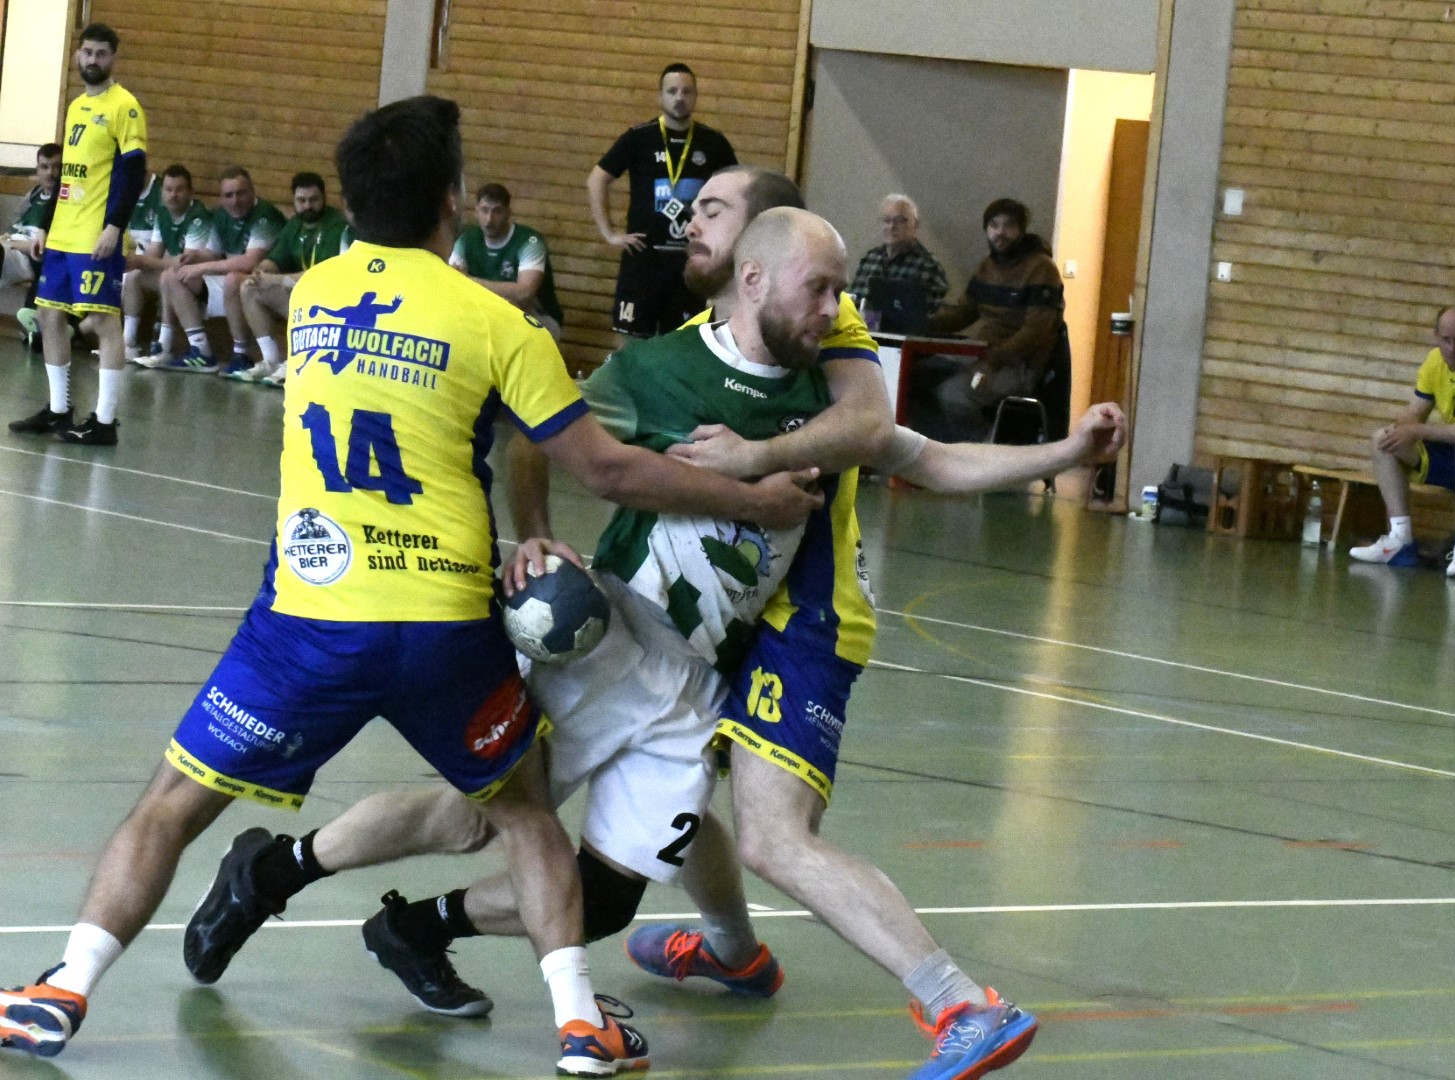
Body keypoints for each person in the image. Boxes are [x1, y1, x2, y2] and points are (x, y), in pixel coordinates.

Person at [0, 95, 821, 1073]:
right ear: (453, 201)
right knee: (524, 815)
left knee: (169, 805)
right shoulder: (497, 324)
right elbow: (606, 468)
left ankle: (64, 987)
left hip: (308, 618)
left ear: (350, 204)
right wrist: (758, 501)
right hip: (443, 625)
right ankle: (578, 1025)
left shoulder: (312, 296)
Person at [176, 202, 840, 1017]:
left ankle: (418, 929)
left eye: (838, 291)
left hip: (700, 685)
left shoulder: (832, 383)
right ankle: (270, 872)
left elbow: (894, 437)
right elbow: (537, 437)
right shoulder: (659, 366)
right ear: (755, 271)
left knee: (606, 900)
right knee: (473, 818)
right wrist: (535, 530)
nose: (833, 308)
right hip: (614, 641)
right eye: (819, 288)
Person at [7, 25, 146, 447]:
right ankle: (58, 409)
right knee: (49, 316)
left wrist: (114, 227)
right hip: (63, 235)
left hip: (95, 235)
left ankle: (104, 421)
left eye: (101, 53)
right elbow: (67, 174)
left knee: (102, 320)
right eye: (87, 52)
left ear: (113, 58)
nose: (92, 60)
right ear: (77, 56)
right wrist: (45, 226)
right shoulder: (76, 106)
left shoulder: (125, 106)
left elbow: (133, 172)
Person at [588, 62, 737, 337]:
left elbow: (735, 194)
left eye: (686, 91)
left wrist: (723, 243)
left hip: (689, 263)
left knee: (686, 343)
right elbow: (597, 179)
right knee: (630, 344)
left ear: (695, 96)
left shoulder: (713, 143)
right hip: (643, 260)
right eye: (672, 91)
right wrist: (609, 233)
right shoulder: (639, 138)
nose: (679, 98)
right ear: (660, 96)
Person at [917, 198, 1065, 441]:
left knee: (954, 396)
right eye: (994, 225)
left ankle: (981, 452)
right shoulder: (986, 267)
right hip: (981, 356)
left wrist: (993, 361)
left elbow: (1035, 332)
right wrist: (921, 322)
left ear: (1021, 230)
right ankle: (943, 448)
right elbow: (964, 312)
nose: (1000, 232)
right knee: (914, 377)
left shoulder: (1041, 269)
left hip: (1019, 366)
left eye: (1009, 225)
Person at [1349, 304, 1455, 576]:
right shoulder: (1434, 362)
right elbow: (1415, 411)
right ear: (1436, 337)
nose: (1452, 348)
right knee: (1383, 440)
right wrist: (1401, 428)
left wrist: (1416, 430)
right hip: (1453, 459)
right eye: (1446, 340)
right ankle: (1400, 540)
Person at [156, 165, 284, 373]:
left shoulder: (265, 216)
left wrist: (201, 267)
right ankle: (201, 351)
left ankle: (241, 354)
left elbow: (249, 262)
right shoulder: (221, 215)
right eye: (228, 195)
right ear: (222, 197)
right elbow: (212, 253)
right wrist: (195, 257)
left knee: (233, 278)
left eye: (241, 193)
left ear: (252, 191)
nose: (235, 201)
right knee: (172, 275)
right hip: (231, 285)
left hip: (262, 285)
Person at [226, 171, 350, 384]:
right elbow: (276, 259)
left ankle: (296, 362)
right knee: (249, 287)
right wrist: (261, 271)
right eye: (302, 200)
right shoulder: (294, 226)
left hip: (328, 298)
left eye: (313, 200)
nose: (308, 206)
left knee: (301, 295)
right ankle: (271, 360)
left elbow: (320, 275)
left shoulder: (336, 226)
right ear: (294, 201)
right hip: (301, 291)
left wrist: (276, 280)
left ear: (324, 198)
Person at [122, 164, 213, 363]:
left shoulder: (198, 217)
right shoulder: (163, 214)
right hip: (177, 276)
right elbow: (154, 254)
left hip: (206, 281)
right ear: (162, 192)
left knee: (168, 277)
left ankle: (164, 347)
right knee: (134, 276)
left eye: (179, 190)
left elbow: (185, 262)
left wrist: (141, 260)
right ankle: (128, 344)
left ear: (190, 192)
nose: (173, 195)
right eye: (169, 189)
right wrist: (136, 262)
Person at [450, 181, 564, 340]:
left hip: (538, 318)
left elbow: (524, 293)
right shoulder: (466, 239)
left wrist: (469, 281)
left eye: (497, 211)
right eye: (484, 210)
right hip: (488, 317)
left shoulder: (529, 242)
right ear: (476, 211)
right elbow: (452, 283)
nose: (489, 219)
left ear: (508, 213)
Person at [848, 193, 949, 330]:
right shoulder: (870, 260)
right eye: (886, 220)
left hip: (900, 340)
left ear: (916, 225)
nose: (891, 226)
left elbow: (923, 320)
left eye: (900, 220)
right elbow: (854, 305)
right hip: (860, 335)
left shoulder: (928, 267)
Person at [2, 143, 61, 349]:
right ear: (37, 169)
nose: (50, 173)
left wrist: (11, 243)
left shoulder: (64, 202)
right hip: (12, 251)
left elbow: (41, 249)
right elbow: (10, 229)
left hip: (31, 258)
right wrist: (6, 240)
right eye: (44, 167)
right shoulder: (34, 195)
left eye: (56, 167)